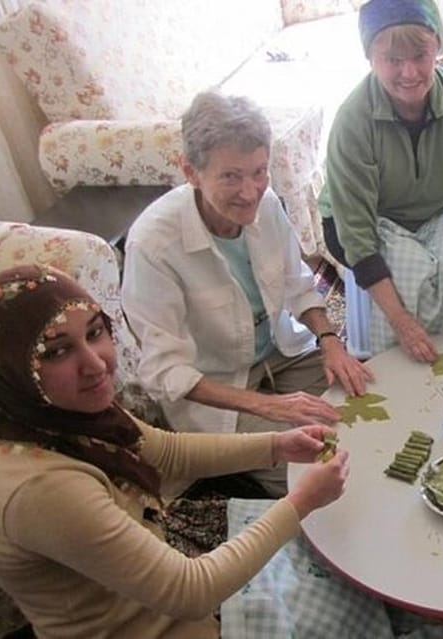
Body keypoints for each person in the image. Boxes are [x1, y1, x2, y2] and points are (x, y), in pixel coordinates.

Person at [0, 264, 359, 638]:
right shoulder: (41, 489)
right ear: (10, 369)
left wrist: (277, 445)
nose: (95, 364)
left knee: (336, 560)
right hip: (149, 626)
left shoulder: (61, 410)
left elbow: (166, 451)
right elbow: (191, 592)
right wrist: (301, 502)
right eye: (56, 352)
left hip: (157, 568)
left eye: (95, 332)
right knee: (344, 602)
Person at [122, 91, 372, 496]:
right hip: (215, 391)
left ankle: (252, 450)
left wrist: (330, 342)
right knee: (318, 466)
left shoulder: (267, 204)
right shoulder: (152, 245)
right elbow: (165, 373)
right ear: (190, 171)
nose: (250, 191)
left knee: (366, 396)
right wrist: (268, 406)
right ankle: (231, 465)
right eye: (231, 176)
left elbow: (298, 284)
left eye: (259, 171)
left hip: (281, 355)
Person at [318, 0, 443, 362]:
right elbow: (355, 230)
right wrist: (402, 321)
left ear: (437, 49)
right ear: (371, 59)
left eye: (420, 56)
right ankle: (396, 367)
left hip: (435, 211)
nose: (409, 72)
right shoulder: (352, 121)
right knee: (411, 276)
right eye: (392, 60)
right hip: (364, 220)